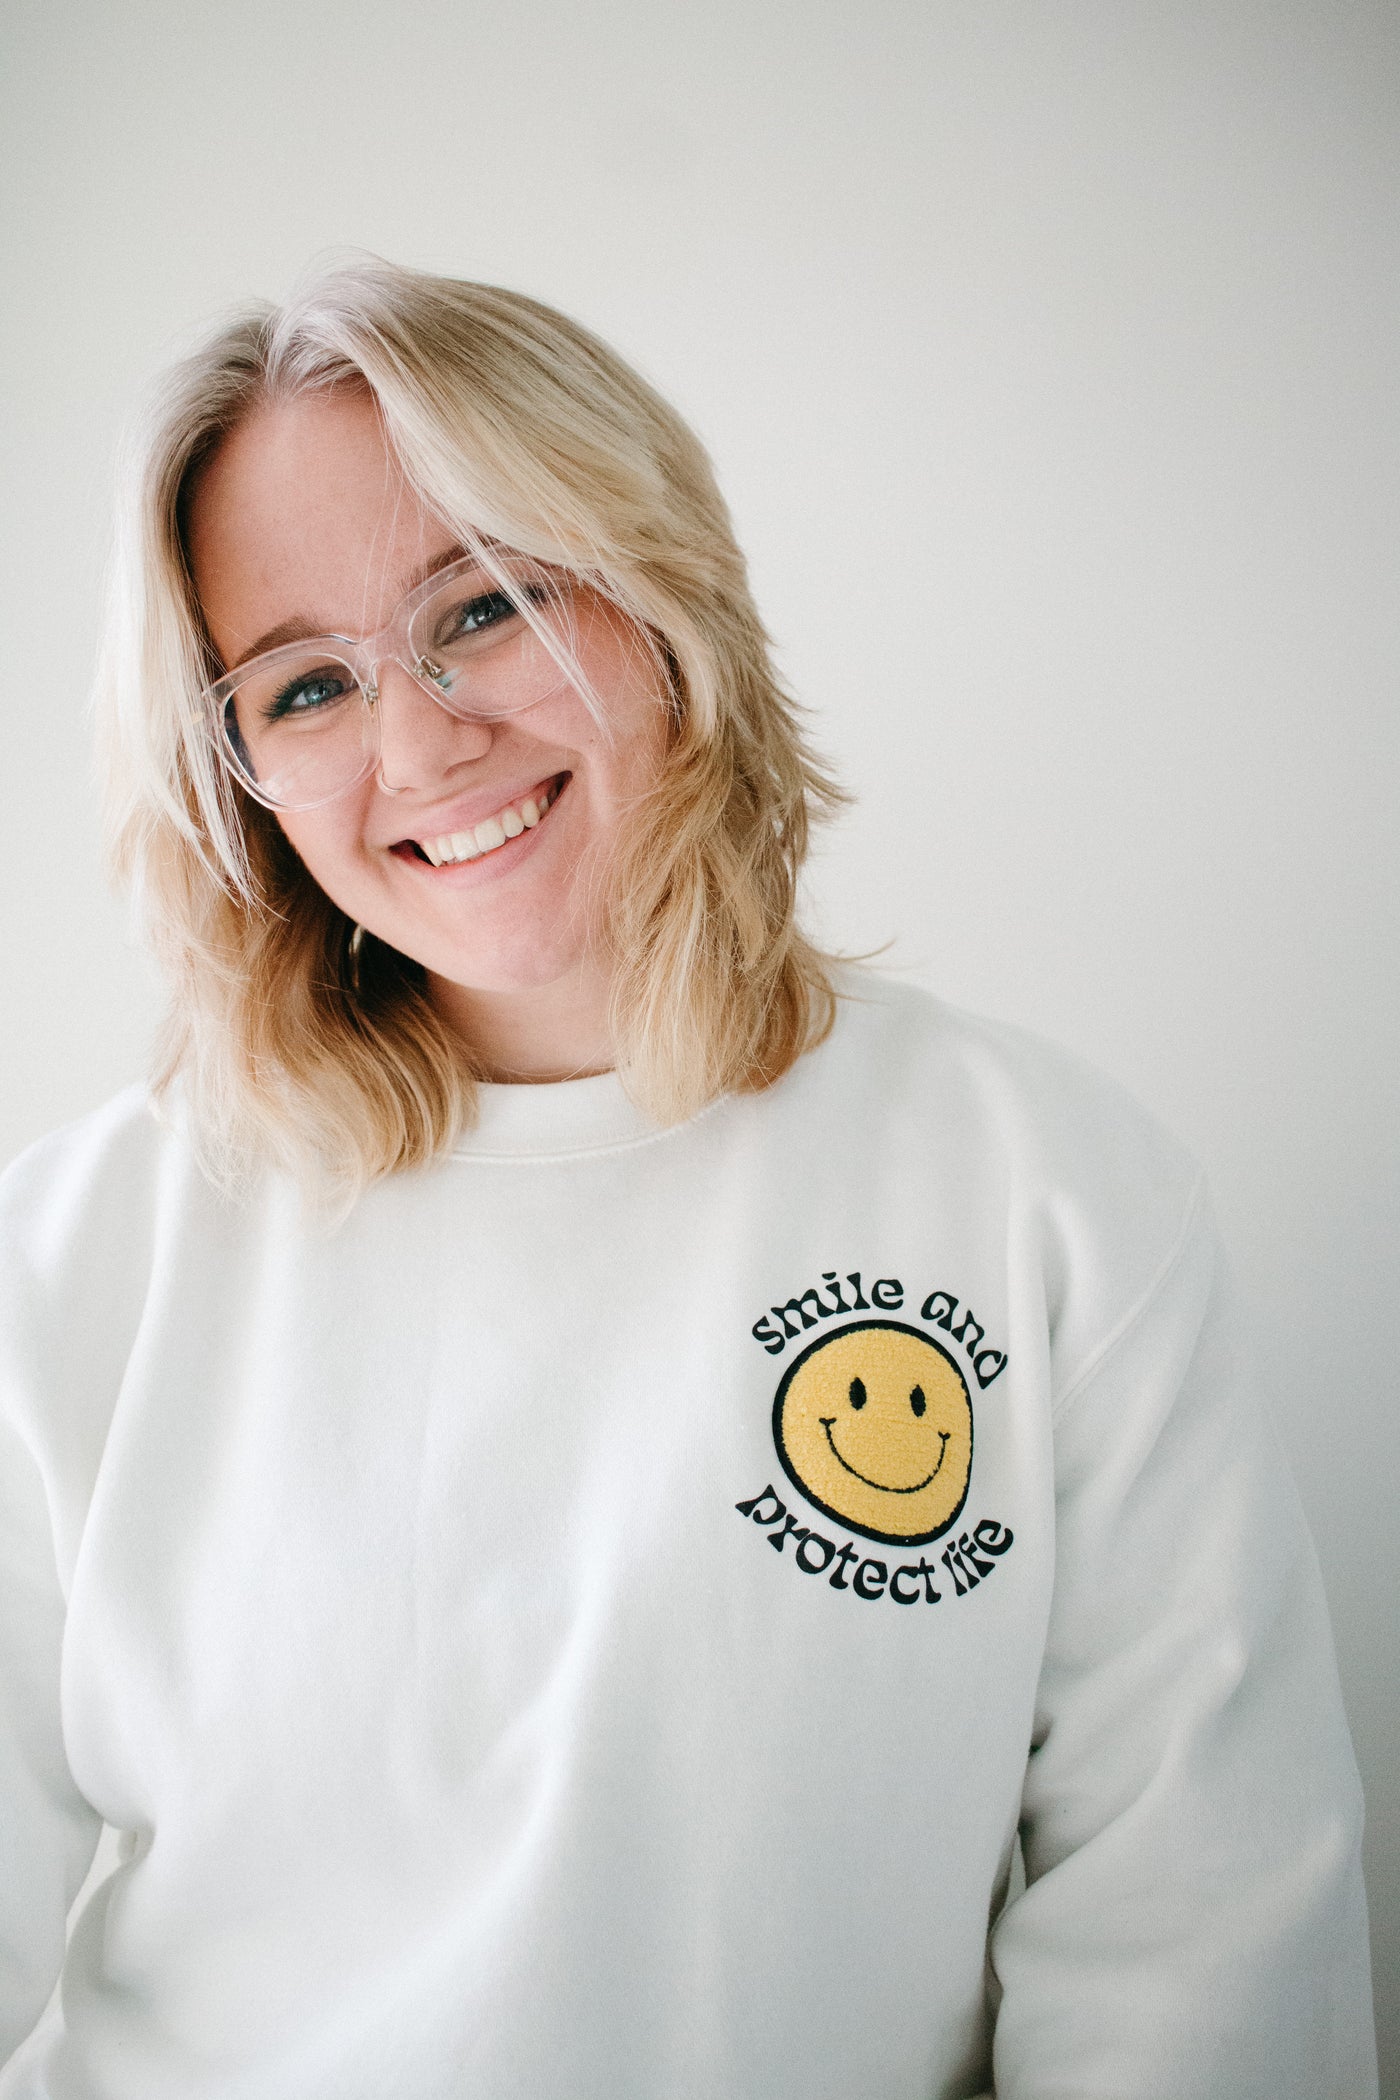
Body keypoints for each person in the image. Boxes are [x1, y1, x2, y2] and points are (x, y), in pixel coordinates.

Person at [0, 257, 1376, 2099]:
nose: (417, 743)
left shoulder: (1043, 1192)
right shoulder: (78, 1257)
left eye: (482, 607)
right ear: (234, 769)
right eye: (305, 683)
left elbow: (1200, 1937)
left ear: (664, 600)